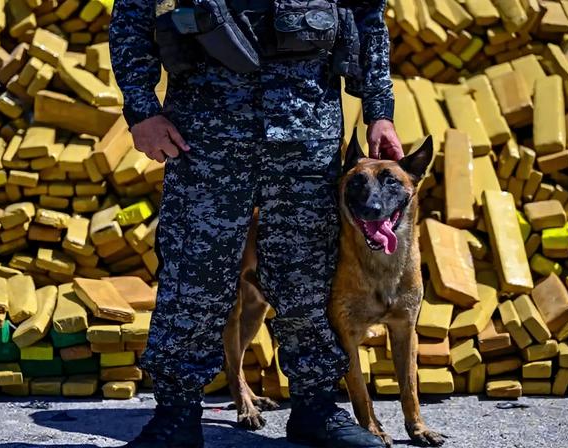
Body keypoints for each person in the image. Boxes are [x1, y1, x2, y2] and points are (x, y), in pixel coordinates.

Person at [109, 1, 402, 446]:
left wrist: (380, 109)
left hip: (307, 132)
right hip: (205, 135)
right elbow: (133, 15)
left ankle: (316, 407)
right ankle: (177, 414)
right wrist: (142, 110)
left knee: (309, 276)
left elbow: (365, 13)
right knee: (194, 277)